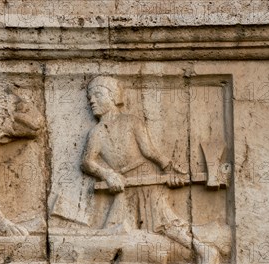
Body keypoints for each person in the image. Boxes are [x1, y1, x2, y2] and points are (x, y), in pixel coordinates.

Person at [81, 76, 192, 249]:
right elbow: (87, 162)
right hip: (123, 184)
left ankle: (204, 251)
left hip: (145, 177)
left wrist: (169, 168)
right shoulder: (96, 132)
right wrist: (108, 174)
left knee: (163, 223)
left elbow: (149, 151)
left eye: (97, 95)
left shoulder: (132, 121)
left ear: (113, 97)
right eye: (90, 98)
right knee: (114, 228)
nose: (92, 101)